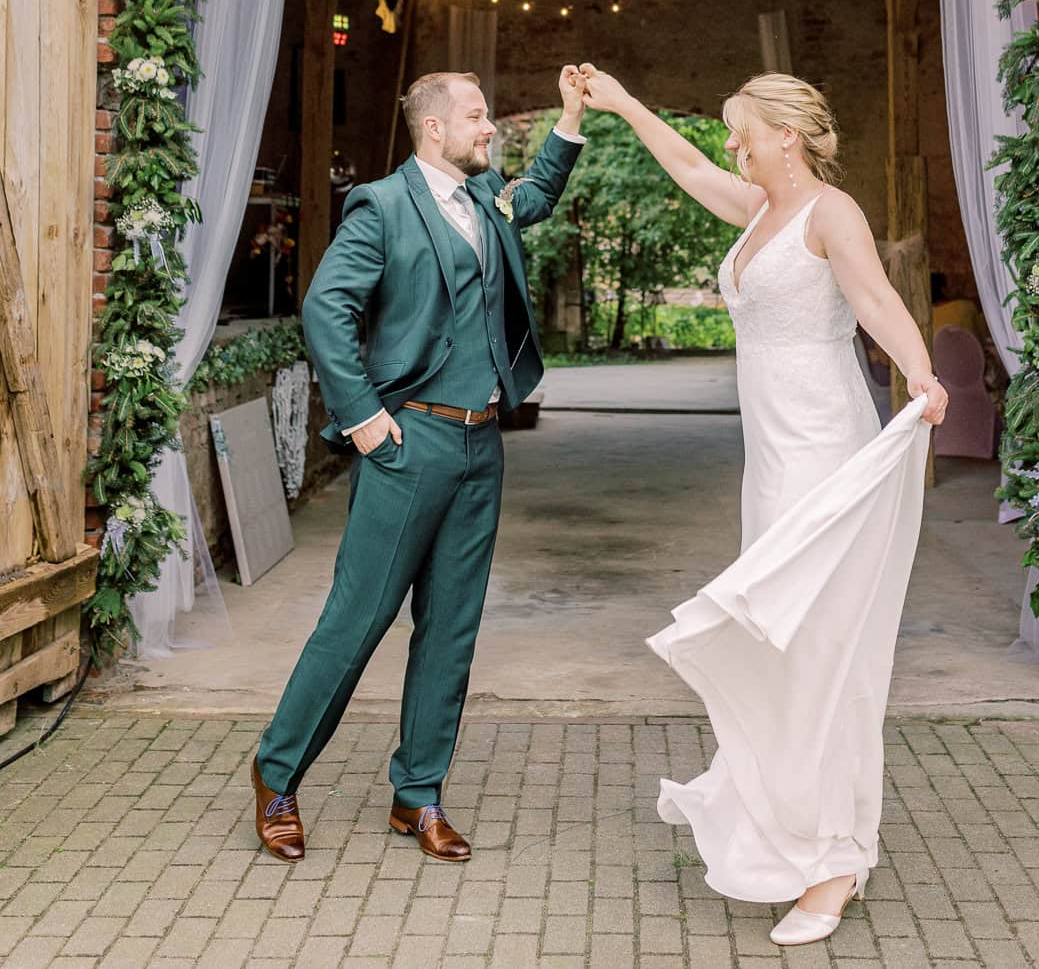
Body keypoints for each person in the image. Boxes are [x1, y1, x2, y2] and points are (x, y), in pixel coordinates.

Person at [578, 66, 947, 948]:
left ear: (788, 133)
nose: (731, 144)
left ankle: (830, 863)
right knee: (780, 649)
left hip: (822, 454)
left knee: (820, 655)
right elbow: (686, 169)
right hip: (771, 466)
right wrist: (626, 103)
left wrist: (921, 372)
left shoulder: (833, 213)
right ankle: (809, 837)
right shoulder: (757, 209)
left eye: (743, 130)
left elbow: (874, 299)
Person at [250, 68, 586, 863]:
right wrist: (366, 419)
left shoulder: (486, 198)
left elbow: (534, 195)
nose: (488, 129)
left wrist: (570, 119)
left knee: (451, 629)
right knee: (358, 619)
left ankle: (418, 794)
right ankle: (277, 775)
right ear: (434, 128)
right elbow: (326, 305)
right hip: (410, 444)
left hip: (482, 447)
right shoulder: (383, 205)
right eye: (476, 117)